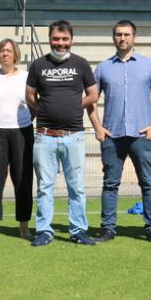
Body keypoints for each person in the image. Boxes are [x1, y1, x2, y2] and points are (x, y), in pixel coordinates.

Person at [91, 20, 151, 244]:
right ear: (113, 37)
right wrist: (97, 126)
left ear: (135, 37)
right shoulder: (103, 67)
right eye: (118, 34)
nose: (122, 38)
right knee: (110, 183)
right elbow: (90, 100)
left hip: (141, 136)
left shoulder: (149, 65)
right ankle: (108, 228)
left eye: (126, 34)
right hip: (112, 136)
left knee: (148, 183)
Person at [26, 20, 99, 247]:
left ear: (71, 40)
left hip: (74, 136)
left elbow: (93, 94)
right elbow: (30, 95)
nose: (60, 43)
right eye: (56, 39)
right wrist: (44, 111)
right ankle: (44, 231)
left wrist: (77, 107)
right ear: (50, 39)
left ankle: (78, 230)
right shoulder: (38, 65)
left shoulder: (81, 64)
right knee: (45, 187)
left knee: (76, 186)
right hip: (45, 136)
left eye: (64, 39)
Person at [0, 38, 34, 241]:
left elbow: (35, 103)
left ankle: (24, 225)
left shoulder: (26, 77)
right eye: (2, 51)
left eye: (9, 51)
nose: (5, 54)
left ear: (16, 54)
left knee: (23, 179)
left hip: (22, 132)